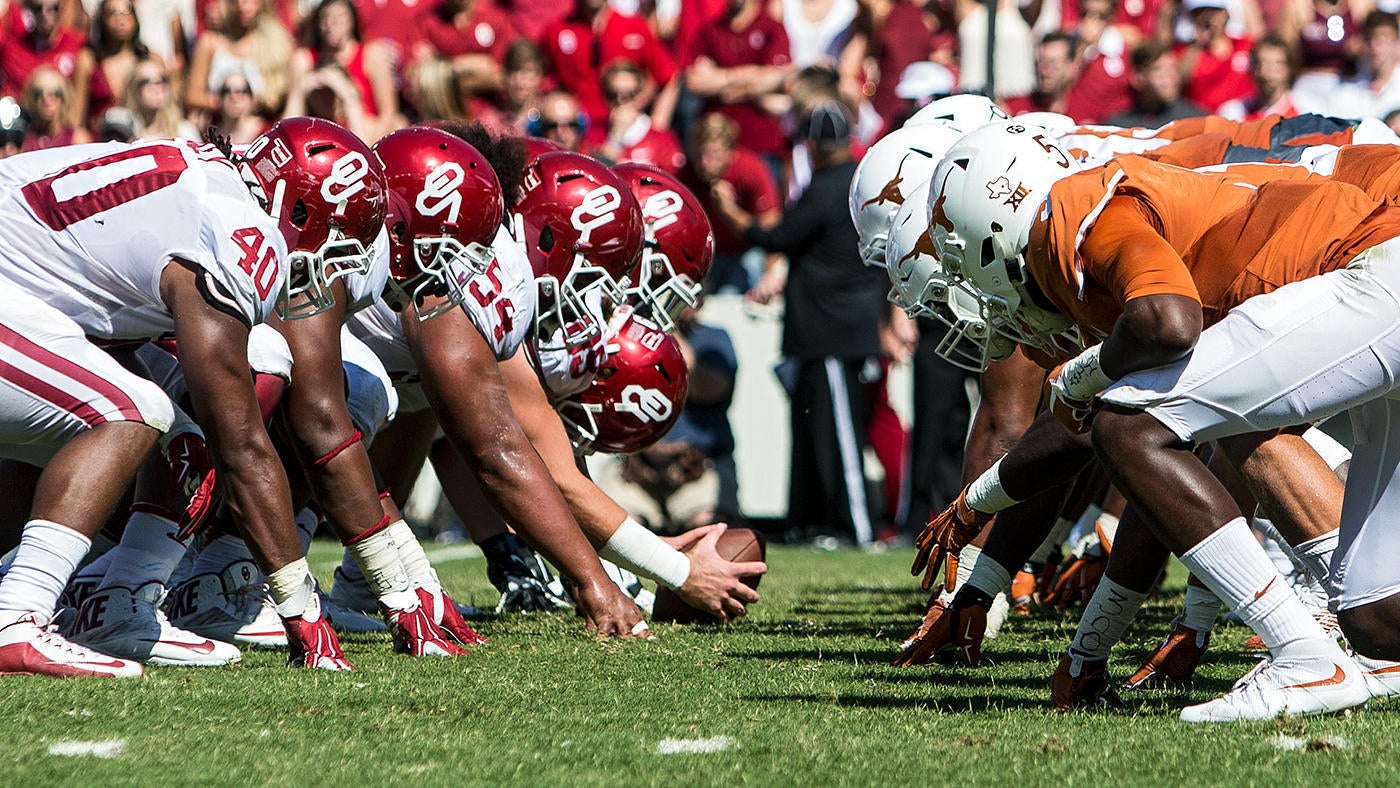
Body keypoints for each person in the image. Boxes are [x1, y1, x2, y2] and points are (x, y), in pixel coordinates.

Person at [910, 122, 1400, 720]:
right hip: (1368, 271)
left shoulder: (1071, 214)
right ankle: (1320, 652)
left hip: (1375, 266)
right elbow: (1140, 469)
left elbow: (1167, 327)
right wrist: (1088, 644)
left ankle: (1304, 656)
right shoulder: (1090, 235)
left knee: (1138, 424)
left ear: (990, 227)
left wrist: (1089, 371)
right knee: (1378, 619)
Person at [0, 117, 379, 677]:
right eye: (334, 241)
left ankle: (121, 598)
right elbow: (241, 447)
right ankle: (17, 613)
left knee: (243, 376)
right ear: (296, 209)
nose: (329, 266)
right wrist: (302, 611)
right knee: (130, 411)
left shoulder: (209, 179)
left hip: (29, 289)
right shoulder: (236, 230)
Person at [712, 101, 887, 546]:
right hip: (830, 329)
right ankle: (814, 521)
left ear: (811, 146)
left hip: (832, 330)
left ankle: (856, 527)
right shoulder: (856, 182)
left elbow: (779, 237)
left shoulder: (829, 186)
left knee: (840, 436)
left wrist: (733, 215)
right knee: (818, 433)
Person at [680, 112, 781, 294]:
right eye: (700, 155)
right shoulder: (686, 175)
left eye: (714, 155)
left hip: (745, 251)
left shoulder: (750, 169)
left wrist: (728, 210)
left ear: (730, 152)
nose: (705, 163)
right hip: (706, 254)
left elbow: (770, 228)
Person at [284, 0, 400, 140]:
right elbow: (288, 124)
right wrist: (301, 90)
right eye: (326, 17)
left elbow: (389, 115)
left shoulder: (371, 55)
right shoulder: (304, 60)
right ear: (318, 23)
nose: (332, 23)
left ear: (352, 20)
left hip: (365, 132)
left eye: (340, 17)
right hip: (322, 135)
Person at [185, 0, 293, 118]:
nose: (242, 6)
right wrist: (225, 102)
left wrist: (261, 101)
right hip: (222, 126)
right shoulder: (210, 41)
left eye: (249, 1)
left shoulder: (275, 44)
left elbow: (283, 94)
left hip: (259, 124)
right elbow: (192, 95)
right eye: (235, 1)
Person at [0, 0, 91, 127]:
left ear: (63, 7)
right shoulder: (13, 48)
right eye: (38, 8)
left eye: (54, 8)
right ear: (28, 10)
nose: (45, 13)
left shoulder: (78, 45)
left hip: (63, 132)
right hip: (22, 130)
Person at [589, 60, 685, 174]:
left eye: (629, 94)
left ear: (642, 96)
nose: (620, 100)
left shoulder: (663, 141)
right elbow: (596, 178)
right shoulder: (594, 135)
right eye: (612, 94)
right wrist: (615, 138)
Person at [1106, 41, 1206, 128]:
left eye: (1173, 68)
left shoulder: (1198, 122)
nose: (1170, 76)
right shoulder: (1119, 127)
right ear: (1138, 78)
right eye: (1159, 70)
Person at [1216, 35, 1301, 121]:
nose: (1269, 71)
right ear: (1253, 69)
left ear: (1288, 69)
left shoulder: (1305, 110)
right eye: (1262, 63)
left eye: (1277, 64)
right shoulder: (1233, 112)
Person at [123, 57, 197, 139]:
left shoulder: (184, 130)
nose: (155, 87)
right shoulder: (124, 131)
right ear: (133, 89)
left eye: (161, 80)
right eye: (146, 81)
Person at [20, 66, 92, 150]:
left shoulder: (78, 139)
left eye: (54, 93)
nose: (46, 99)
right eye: (38, 93)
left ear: (63, 97)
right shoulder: (23, 142)